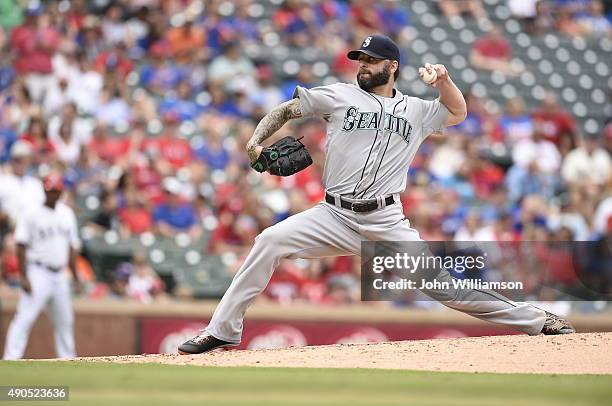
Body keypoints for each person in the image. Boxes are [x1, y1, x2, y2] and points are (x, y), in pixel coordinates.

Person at [178, 35, 575, 355]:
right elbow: (287, 109)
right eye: (360, 60)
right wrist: (256, 140)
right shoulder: (338, 95)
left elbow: (458, 113)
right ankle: (223, 331)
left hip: (386, 222)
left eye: (370, 60)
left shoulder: (417, 110)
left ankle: (538, 320)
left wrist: (444, 81)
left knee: (448, 290)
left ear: (392, 66)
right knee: (269, 241)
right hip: (332, 216)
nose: (363, 66)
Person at [3, 172, 83, 360]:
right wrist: (24, 275)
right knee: (24, 318)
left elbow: (72, 248)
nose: (52, 194)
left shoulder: (67, 214)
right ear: (43, 190)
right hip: (38, 271)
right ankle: (10, 359)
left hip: (59, 274)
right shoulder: (31, 212)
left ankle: (68, 359)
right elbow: (21, 244)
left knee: (65, 321)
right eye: (49, 190)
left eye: (55, 190)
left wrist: (76, 277)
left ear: (61, 191)